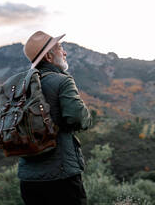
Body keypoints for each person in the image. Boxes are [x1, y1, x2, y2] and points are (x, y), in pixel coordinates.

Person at [19, 31, 92, 205]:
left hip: (28, 179)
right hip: (61, 176)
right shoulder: (63, 81)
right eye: (60, 48)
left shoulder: (21, 86)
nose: (65, 52)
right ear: (49, 57)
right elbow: (78, 118)